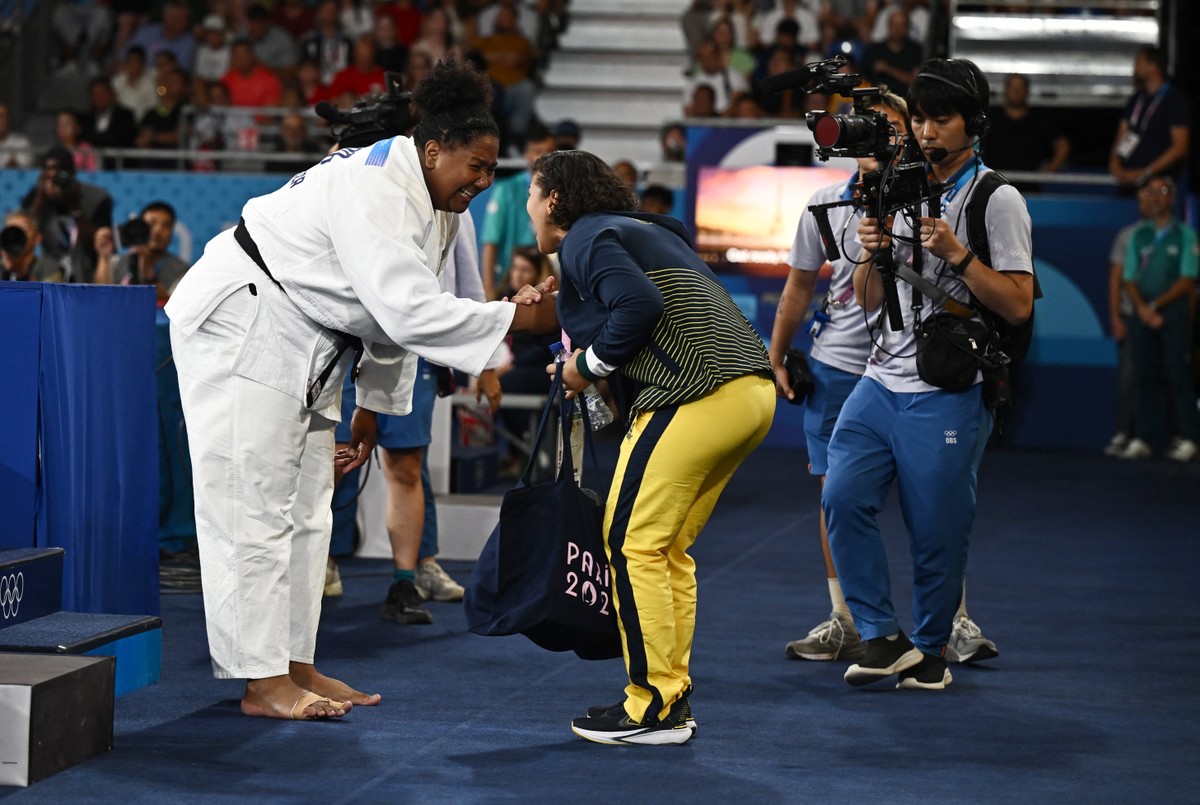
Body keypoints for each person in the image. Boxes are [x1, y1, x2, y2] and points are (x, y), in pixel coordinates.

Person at [164, 57, 558, 721]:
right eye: (476, 166)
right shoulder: (376, 183)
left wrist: (372, 406)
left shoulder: (434, 205)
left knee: (309, 510)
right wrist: (516, 318)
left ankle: (294, 660)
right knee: (252, 505)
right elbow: (405, 311)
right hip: (243, 322)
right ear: (433, 150)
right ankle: (260, 681)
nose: (483, 183)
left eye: (493, 171)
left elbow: (393, 317)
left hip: (307, 341)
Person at [522, 149, 776, 745]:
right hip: (749, 392)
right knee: (665, 548)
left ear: (554, 199)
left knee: (630, 541)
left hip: (695, 394)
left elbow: (640, 305)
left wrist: (586, 363)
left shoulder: (583, 236)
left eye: (533, 194)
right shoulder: (638, 231)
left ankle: (651, 705)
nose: (527, 206)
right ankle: (672, 692)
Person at [824, 57, 1034, 691]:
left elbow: (1019, 303)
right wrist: (874, 251)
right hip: (878, 379)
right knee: (840, 499)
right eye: (919, 118)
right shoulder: (894, 183)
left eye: (940, 119)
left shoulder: (997, 197)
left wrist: (956, 254)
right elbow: (865, 297)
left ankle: (932, 650)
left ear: (973, 123)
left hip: (950, 387)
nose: (926, 130)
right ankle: (882, 636)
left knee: (936, 528)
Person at [1119, 174, 1198, 462]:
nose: (1155, 196)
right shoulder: (1139, 235)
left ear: (1172, 198)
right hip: (1142, 313)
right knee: (1143, 375)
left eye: (1163, 191)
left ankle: (1189, 437)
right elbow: (1128, 277)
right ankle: (1143, 438)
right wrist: (1142, 308)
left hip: (1173, 312)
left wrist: (1155, 306)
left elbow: (1188, 278)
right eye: (1150, 191)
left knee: (1179, 374)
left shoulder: (1185, 234)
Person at [480, 122, 557, 298]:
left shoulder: (562, 190)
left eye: (550, 151)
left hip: (548, 281)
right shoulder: (506, 189)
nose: (545, 157)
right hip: (509, 283)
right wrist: (488, 292)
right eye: (538, 151)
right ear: (527, 153)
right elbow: (490, 242)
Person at [19, 146, 113, 283]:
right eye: (47, 171)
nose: (54, 177)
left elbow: (98, 242)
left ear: (72, 172)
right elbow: (24, 233)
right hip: (47, 274)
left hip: (87, 272)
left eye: (59, 171)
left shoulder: (97, 198)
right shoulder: (36, 198)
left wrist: (74, 205)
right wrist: (40, 198)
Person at [1108, 45, 1190, 188]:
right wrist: (1115, 162)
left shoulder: (1174, 99)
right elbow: (1122, 134)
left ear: (1153, 66)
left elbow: (1180, 147)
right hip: (1129, 179)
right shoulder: (1136, 99)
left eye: (1139, 62)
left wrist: (1146, 172)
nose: (1134, 67)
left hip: (1160, 182)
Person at [983, 73, 1070, 191]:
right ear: (1006, 90)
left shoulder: (1038, 121)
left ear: (1027, 91)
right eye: (1012, 87)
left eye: (1020, 88)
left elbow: (1063, 145)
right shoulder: (990, 120)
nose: (1016, 92)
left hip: (1029, 188)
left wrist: (1048, 172)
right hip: (995, 187)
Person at [94, 201, 190, 304]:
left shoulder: (183, 272)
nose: (158, 231)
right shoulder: (117, 262)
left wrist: (147, 270)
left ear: (172, 232)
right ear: (140, 227)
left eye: (166, 226)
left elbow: (172, 304)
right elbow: (100, 296)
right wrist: (103, 257)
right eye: (151, 224)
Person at [1, 211, 64, 283]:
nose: (16, 236)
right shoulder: (2, 268)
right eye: (11, 231)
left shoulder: (48, 268)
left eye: (24, 230)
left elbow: (50, 292)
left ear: (37, 238)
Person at [0, 103, 35, 169]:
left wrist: (14, 165)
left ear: (8, 119)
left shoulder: (21, 142)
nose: (1, 121)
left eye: (3, 116)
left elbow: (27, 169)